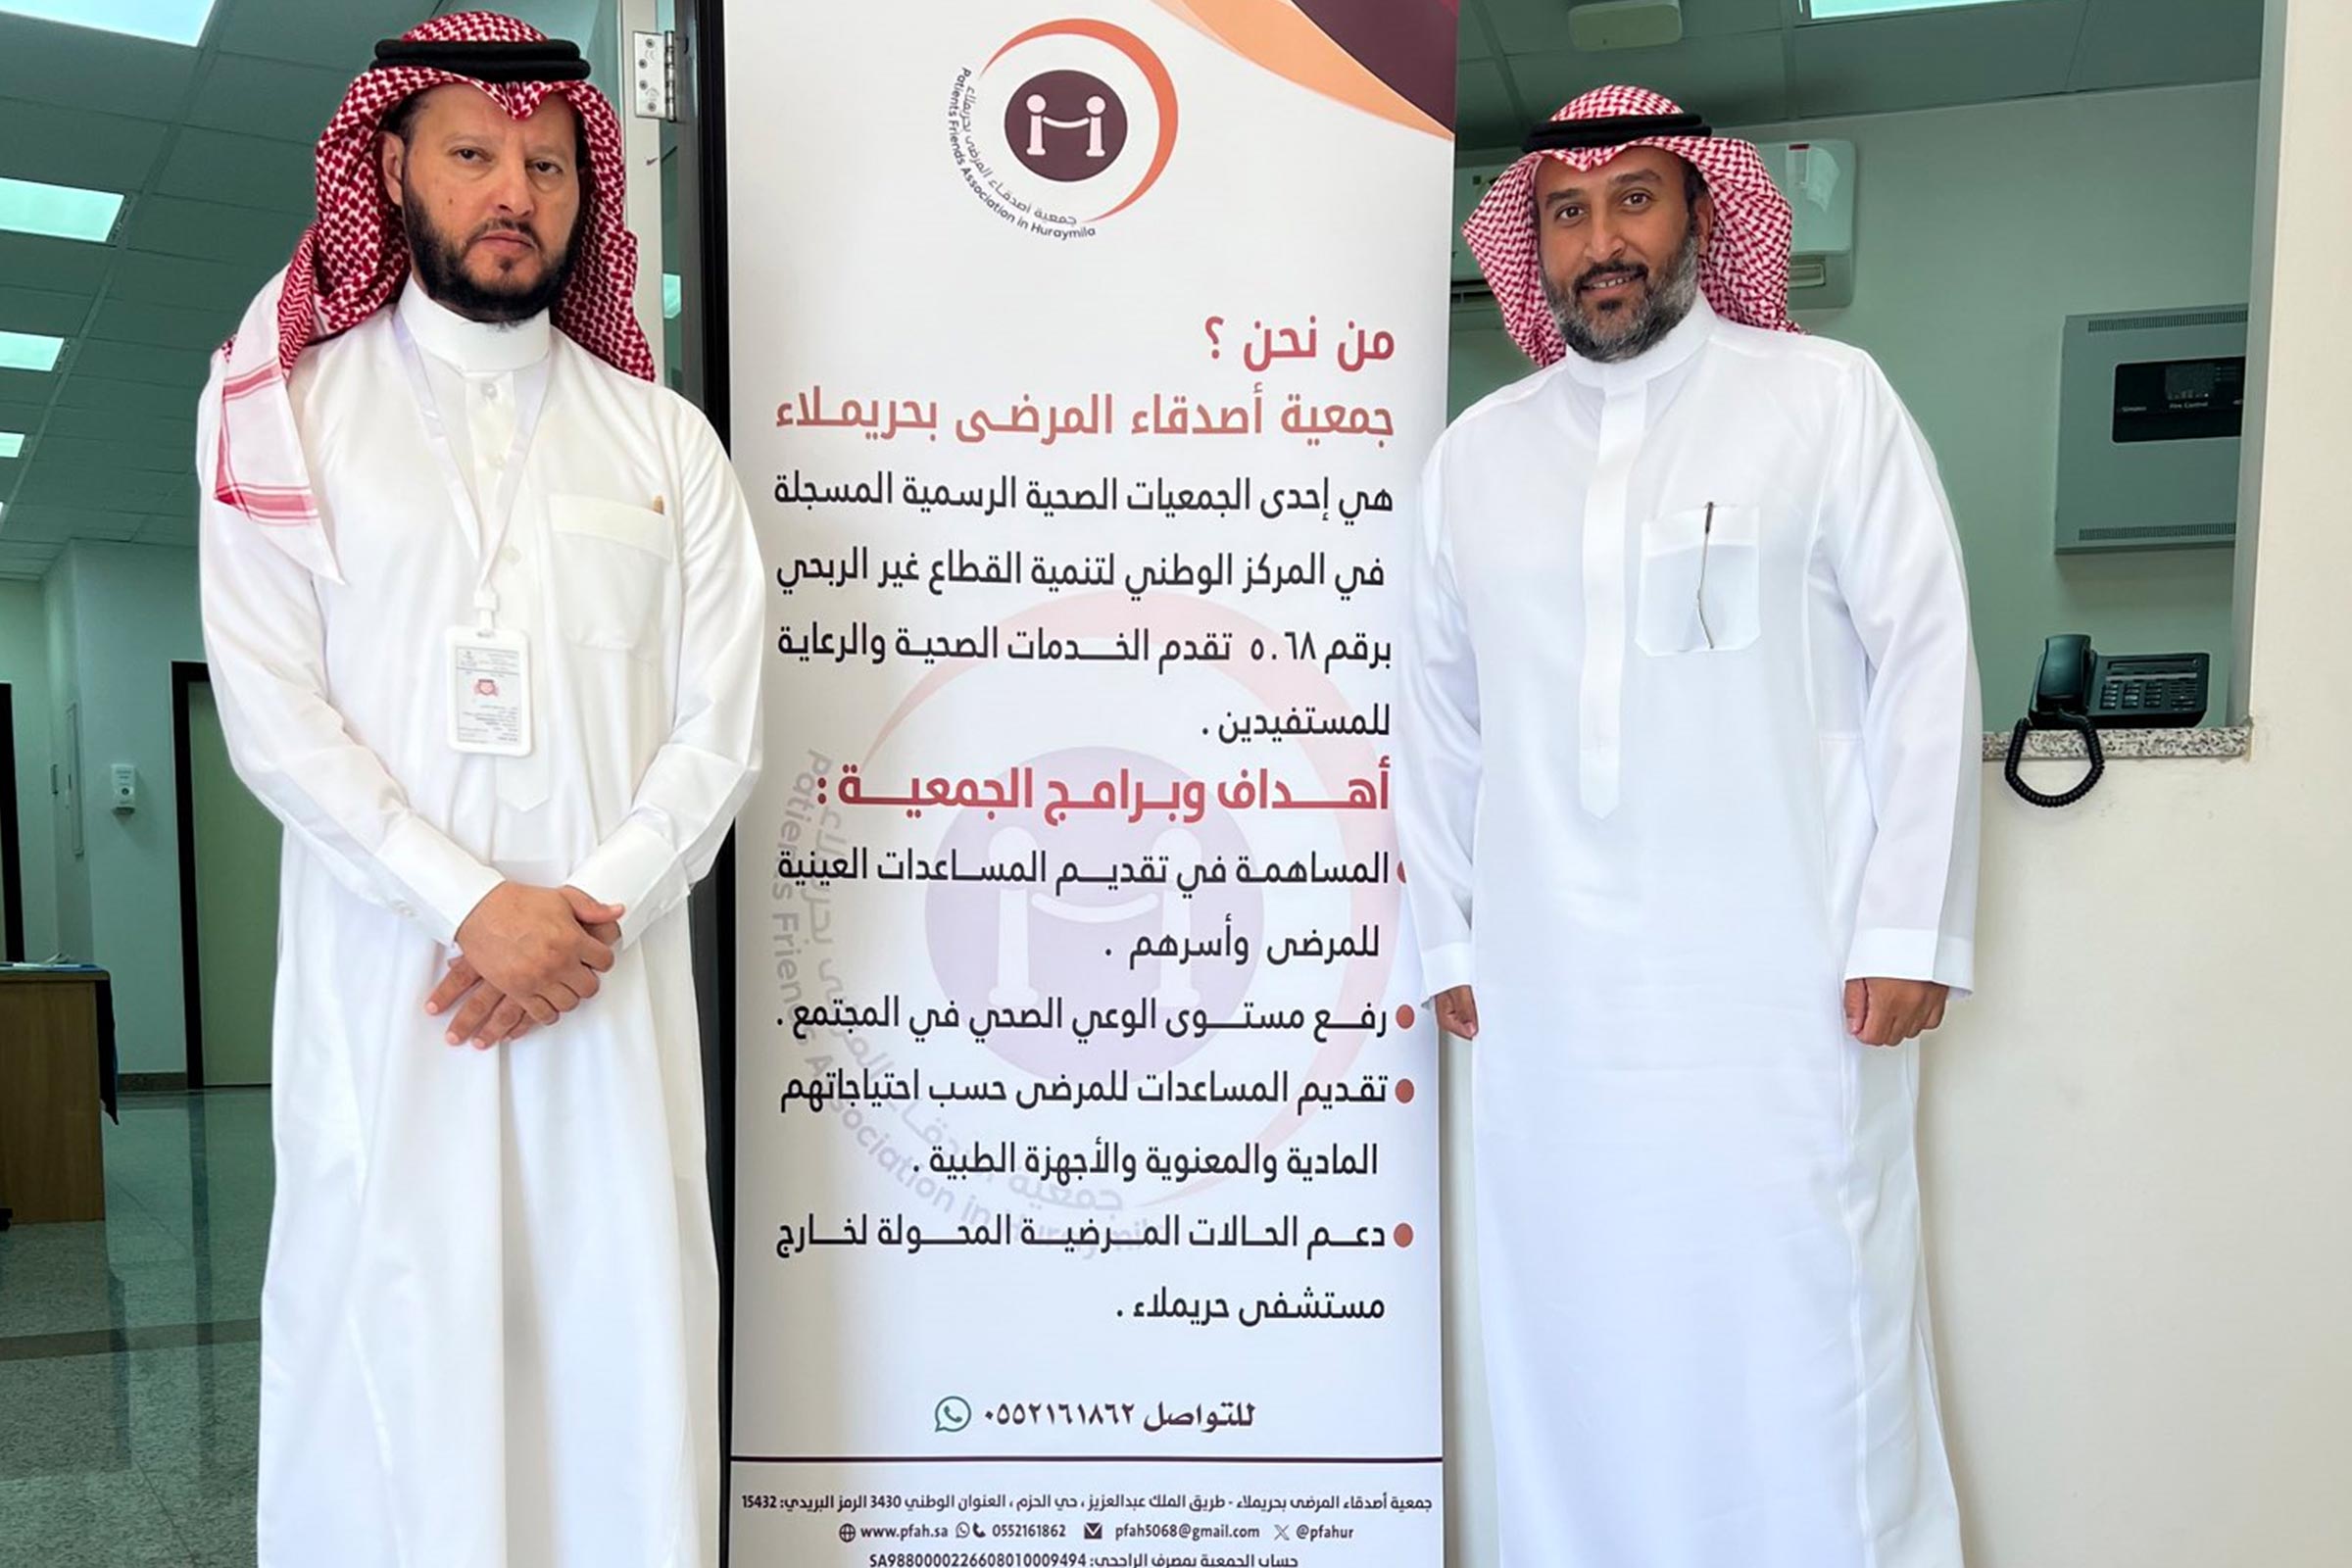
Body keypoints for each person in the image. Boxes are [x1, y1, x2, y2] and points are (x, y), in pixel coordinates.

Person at [195, 14, 761, 1565]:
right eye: (471, 155)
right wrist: (472, 908)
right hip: (398, 997)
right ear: (389, 167)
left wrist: (576, 919)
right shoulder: (286, 412)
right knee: (394, 1344)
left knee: (612, 1340)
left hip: (603, 997)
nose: (514, 191)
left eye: (548, 164)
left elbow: (719, 731)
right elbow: (275, 716)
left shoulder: (664, 441)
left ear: (587, 192)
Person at [1396, 85, 1982, 1567]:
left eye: (1635, 200)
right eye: (1567, 213)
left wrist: (1909, 924)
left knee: (1810, 1322)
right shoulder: (1478, 454)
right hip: (1553, 1006)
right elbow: (1440, 716)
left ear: (1704, 215)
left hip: (1784, 984)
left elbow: (1926, 663)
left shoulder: (1825, 400)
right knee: (1571, 1327)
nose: (1602, 241)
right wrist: (1450, 937)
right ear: (1533, 241)